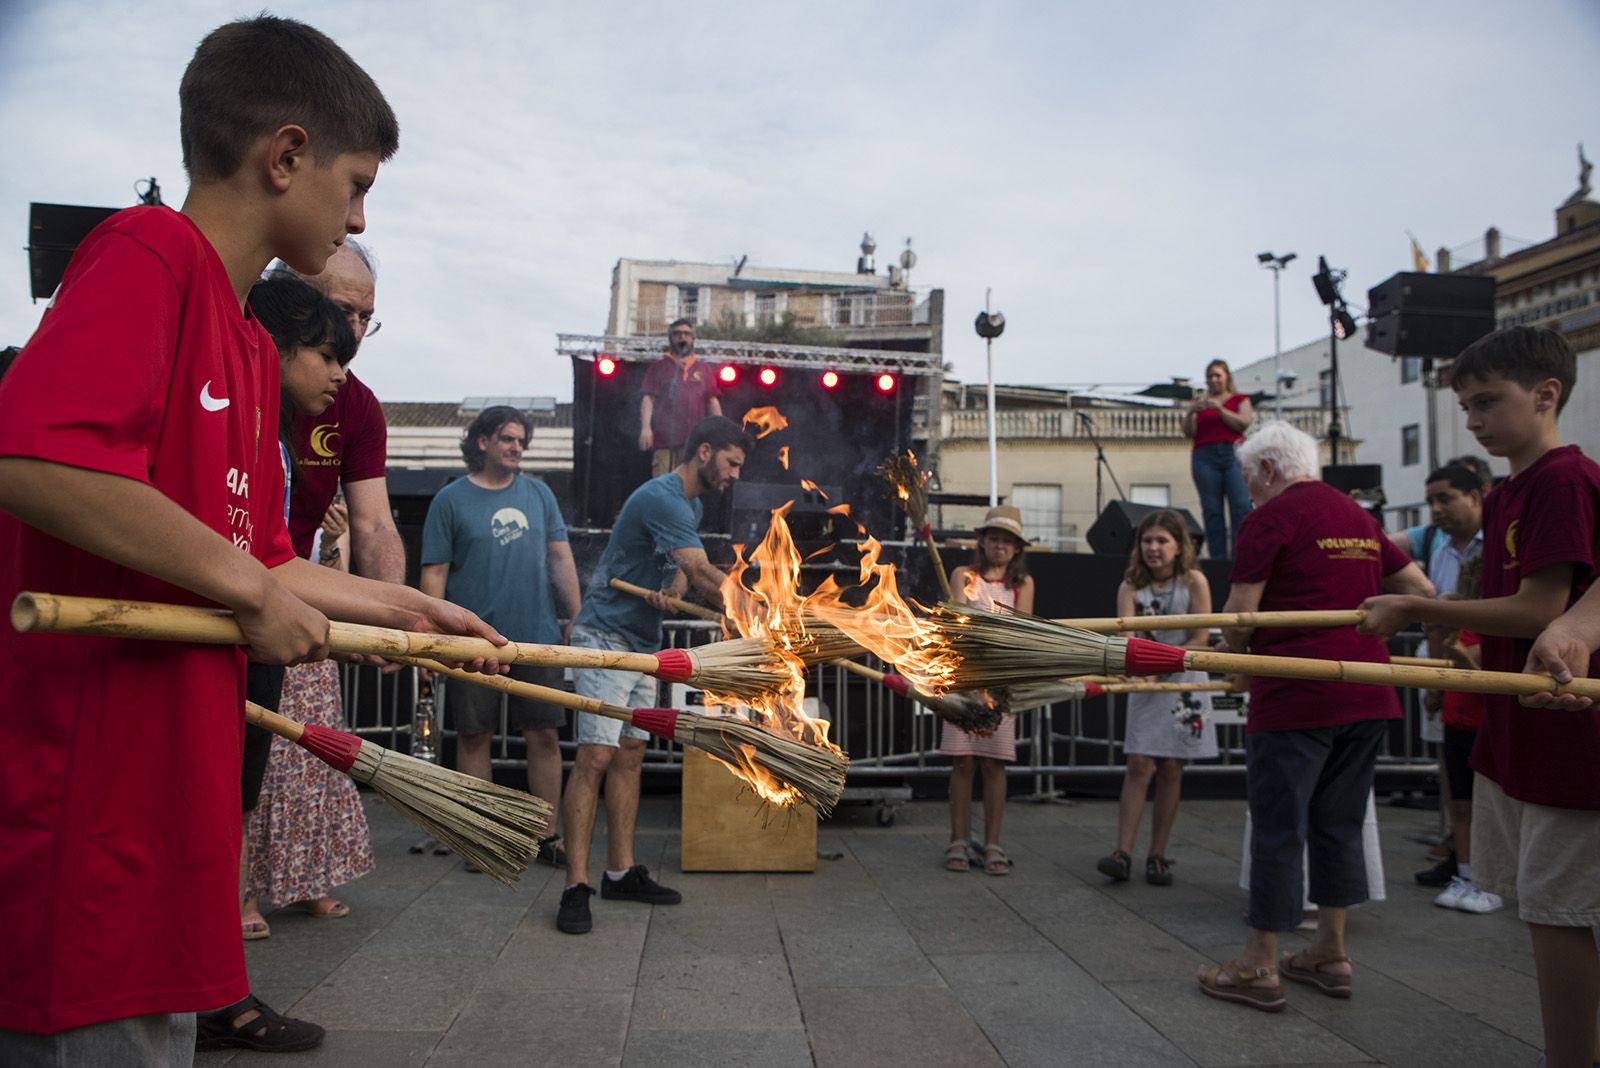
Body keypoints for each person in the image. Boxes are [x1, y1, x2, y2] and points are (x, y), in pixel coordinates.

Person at [0, 17, 505, 1063]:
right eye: (356, 182)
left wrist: (415, 614)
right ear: (284, 156)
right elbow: (33, 457)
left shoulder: (241, 337)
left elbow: (267, 557)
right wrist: (250, 588)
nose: (360, 213)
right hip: (91, 821)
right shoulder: (148, 256)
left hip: (169, 808)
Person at [1358, 326, 1600, 1067]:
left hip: (1569, 734)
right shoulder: (1508, 493)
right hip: (1525, 725)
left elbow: (1538, 608)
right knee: (1547, 910)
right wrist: (1470, 646)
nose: (1473, 420)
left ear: (1546, 394)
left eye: (1486, 401)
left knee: (1559, 914)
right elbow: (1529, 612)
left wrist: (1420, 610)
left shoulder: (1562, 479)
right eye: (1465, 406)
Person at [1194, 421, 1432, 1013]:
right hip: (1369, 692)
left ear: (1269, 470)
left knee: (1280, 826)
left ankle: (1258, 964)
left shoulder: (1269, 518)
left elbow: (1241, 616)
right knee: (1339, 823)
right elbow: (1418, 589)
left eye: (1248, 479)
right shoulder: (1355, 517)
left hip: (1297, 695)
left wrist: (1238, 667)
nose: (1246, 492)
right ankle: (1329, 952)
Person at [559, 416, 748, 935]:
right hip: (604, 636)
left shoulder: (692, 505)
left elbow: (686, 567)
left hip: (642, 639)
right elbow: (708, 571)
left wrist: (677, 588)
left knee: (631, 755)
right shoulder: (662, 495)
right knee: (595, 756)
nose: (734, 474)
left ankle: (619, 872)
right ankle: (576, 885)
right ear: (705, 451)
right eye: (731, 463)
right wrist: (753, 611)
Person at [243, 276, 375, 933]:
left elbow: (278, 560)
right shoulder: (243, 424)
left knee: (254, 780)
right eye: (327, 353)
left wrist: (402, 610)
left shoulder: (279, 439)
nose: (338, 372)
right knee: (233, 790)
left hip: (271, 624)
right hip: (233, 632)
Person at [421, 405, 582, 867]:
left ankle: (545, 838)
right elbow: (434, 575)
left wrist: (574, 614)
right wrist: (435, 636)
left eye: (521, 441)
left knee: (545, 735)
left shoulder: (539, 494)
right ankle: (483, 836)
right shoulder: (449, 501)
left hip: (537, 637)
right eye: (508, 439)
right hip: (473, 641)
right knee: (474, 737)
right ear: (482, 442)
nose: (517, 448)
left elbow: (561, 559)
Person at [1096, 509, 1216, 887]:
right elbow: (1126, 636)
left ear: (1179, 546)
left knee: (1171, 768)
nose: (1154, 548)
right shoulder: (1130, 585)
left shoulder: (1194, 581)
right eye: (1147, 540)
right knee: (1139, 763)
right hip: (1145, 677)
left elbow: (1201, 637)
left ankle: (1158, 854)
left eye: (1162, 540)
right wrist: (1136, 665)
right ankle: (1123, 850)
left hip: (1183, 678)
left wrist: (1165, 666)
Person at [276, 238, 405, 582]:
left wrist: (401, 619)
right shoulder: (232, 380)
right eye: (342, 311)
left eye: (365, 317)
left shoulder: (359, 405)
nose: (357, 332)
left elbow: (376, 526)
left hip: (288, 594)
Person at [940, 506, 1035, 876]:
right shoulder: (963, 575)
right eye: (994, 538)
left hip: (1001, 681)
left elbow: (1024, 630)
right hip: (965, 679)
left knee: (995, 763)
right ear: (982, 540)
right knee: (962, 761)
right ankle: (957, 840)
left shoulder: (1022, 584)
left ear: (1016, 548)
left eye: (1007, 540)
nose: (1000, 546)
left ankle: (994, 842)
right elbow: (957, 624)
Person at [1181, 358, 1254, 558]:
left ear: (1226, 377)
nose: (1213, 380)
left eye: (1217, 376)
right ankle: (1218, 559)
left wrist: (1220, 409)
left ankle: (1241, 556)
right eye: (1210, 376)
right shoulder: (1201, 405)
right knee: (1212, 510)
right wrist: (1190, 412)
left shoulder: (1240, 400)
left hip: (1233, 454)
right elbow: (1189, 432)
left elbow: (1243, 423)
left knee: (1241, 505)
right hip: (1204, 456)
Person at [639, 318, 723, 477]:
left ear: (692, 338)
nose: (682, 337)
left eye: (686, 334)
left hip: (694, 443)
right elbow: (648, 398)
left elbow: (712, 401)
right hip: (664, 440)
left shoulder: (703, 369)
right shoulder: (659, 367)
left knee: (689, 486)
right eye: (677, 334)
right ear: (671, 338)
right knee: (662, 486)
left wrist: (719, 430)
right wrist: (645, 428)